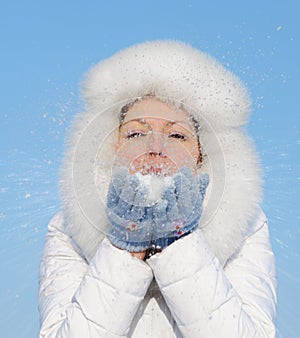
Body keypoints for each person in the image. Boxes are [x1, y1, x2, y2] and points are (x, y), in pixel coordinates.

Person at [38, 40, 277, 337]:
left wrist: (181, 243)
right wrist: (122, 249)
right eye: (137, 133)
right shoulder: (68, 231)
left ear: (202, 155)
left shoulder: (247, 227)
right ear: (112, 147)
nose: (155, 148)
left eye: (177, 135)